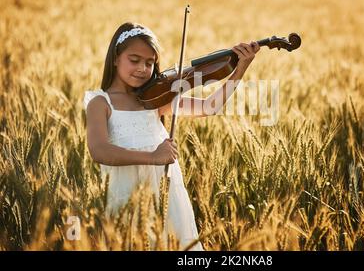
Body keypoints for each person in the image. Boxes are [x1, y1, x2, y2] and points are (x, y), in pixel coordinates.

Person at [83, 22, 260, 250]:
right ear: (115, 58)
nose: (142, 69)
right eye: (134, 60)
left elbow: (208, 107)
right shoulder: (100, 102)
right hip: (126, 198)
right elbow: (99, 150)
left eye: (150, 63)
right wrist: (153, 157)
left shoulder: (153, 100)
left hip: (166, 197)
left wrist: (239, 70)